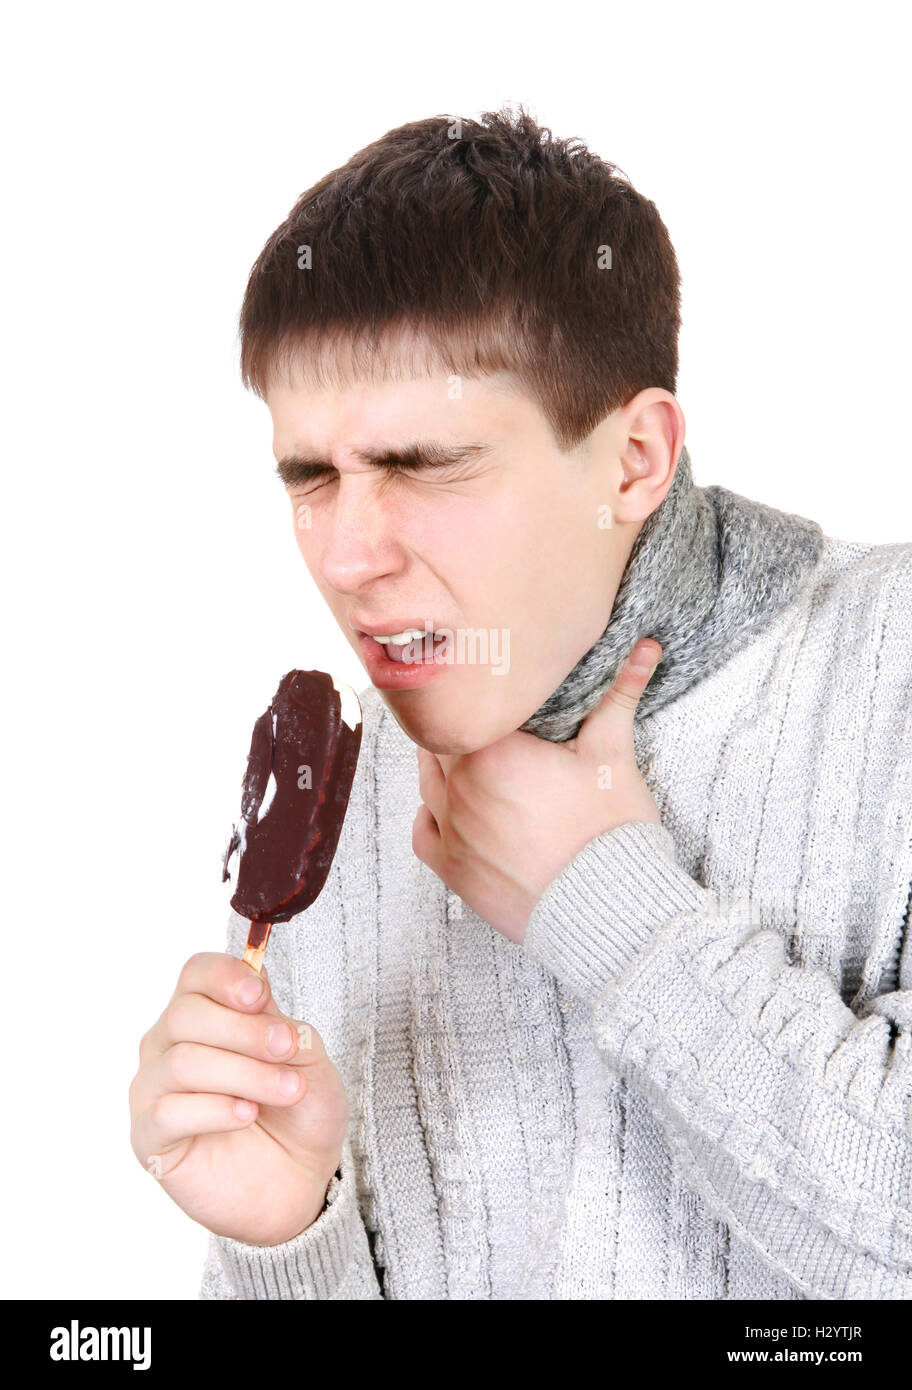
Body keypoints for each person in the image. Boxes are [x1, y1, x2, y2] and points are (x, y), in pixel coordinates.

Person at [129, 107, 912, 1300]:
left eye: (422, 465)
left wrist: (611, 911)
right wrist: (287, 1242)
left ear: (635, 460)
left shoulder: (889, 669)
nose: (345, 557)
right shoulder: (336, 792)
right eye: (310, 478)